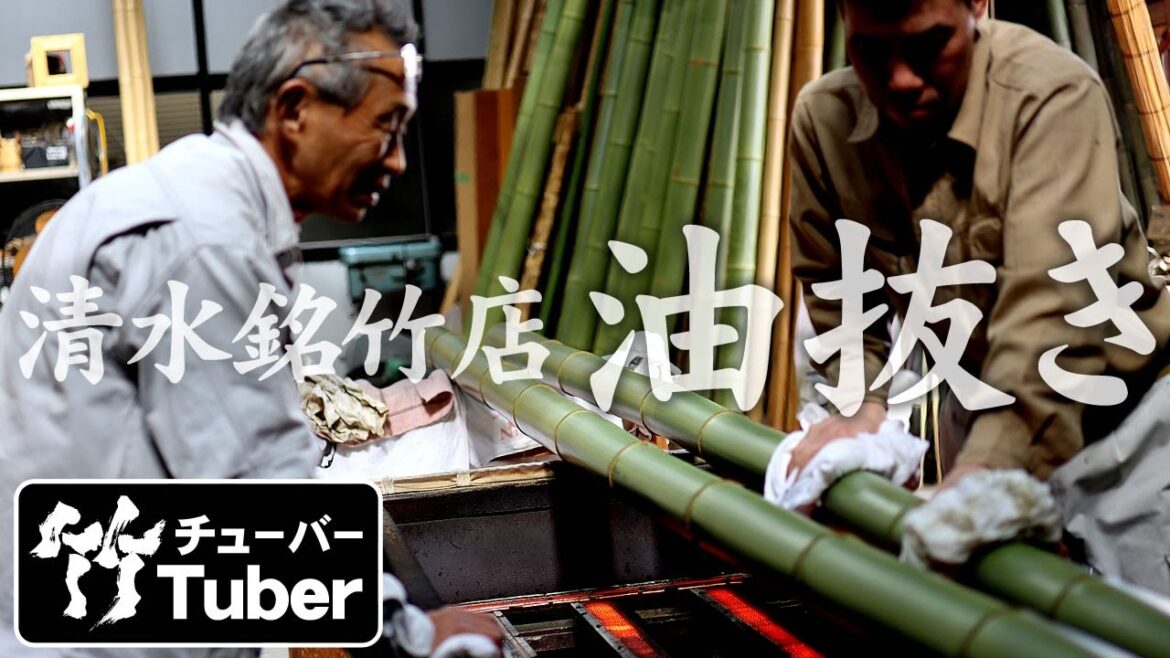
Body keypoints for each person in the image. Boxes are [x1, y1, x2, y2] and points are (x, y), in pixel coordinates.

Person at [0, 0, 502, 655]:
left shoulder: (197, 203)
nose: (399, 160)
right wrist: (409, 634)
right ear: (295, 109)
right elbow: (259, 490)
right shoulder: (204, 240)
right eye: (386, 126)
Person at [787, 0, 1170, 591]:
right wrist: (857, 409)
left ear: (977, 8)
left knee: (1134, 626)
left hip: (1123, 424)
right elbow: (839, 294)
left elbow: (1052, 309)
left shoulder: (1051, 95)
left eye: (927, 46)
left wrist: (988, 469)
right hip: (980, 407)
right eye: (871, 49)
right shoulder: (825, 121)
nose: (899, 79)